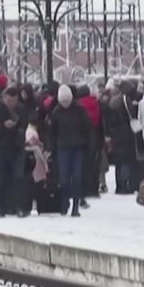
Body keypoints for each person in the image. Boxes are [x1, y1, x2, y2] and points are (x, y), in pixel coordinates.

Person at [0, 87, 30, 218]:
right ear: (4, 98)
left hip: (17, 147)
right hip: (0, 147)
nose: (12, 103)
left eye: (14, 100)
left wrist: (20, 129)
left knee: (18, 178)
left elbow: (25, 123)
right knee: (0, 178)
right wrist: (2, 126)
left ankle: (19, 206)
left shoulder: (21, 109)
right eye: (9, 100)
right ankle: (1, 207)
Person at [50, 85, 92, 217]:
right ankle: (64, 203)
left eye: (67, 101)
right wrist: (52, 148)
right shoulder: (56, 112)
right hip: (62, 147)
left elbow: (88, 129)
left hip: (78, 147)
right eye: (63, 102)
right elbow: (52, 132)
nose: (65, 104)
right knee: (64, 178)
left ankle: (75, 206)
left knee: (77, 176)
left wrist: (89, 146)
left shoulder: (80, 110)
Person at [106, 82, 139, 194]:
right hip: (125, 133)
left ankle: (119, 185)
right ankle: (126, 185)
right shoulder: (125, 99)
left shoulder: (113, 100)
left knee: (118, 162)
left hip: (115, 134)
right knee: (126, 160)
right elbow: (132, 115)